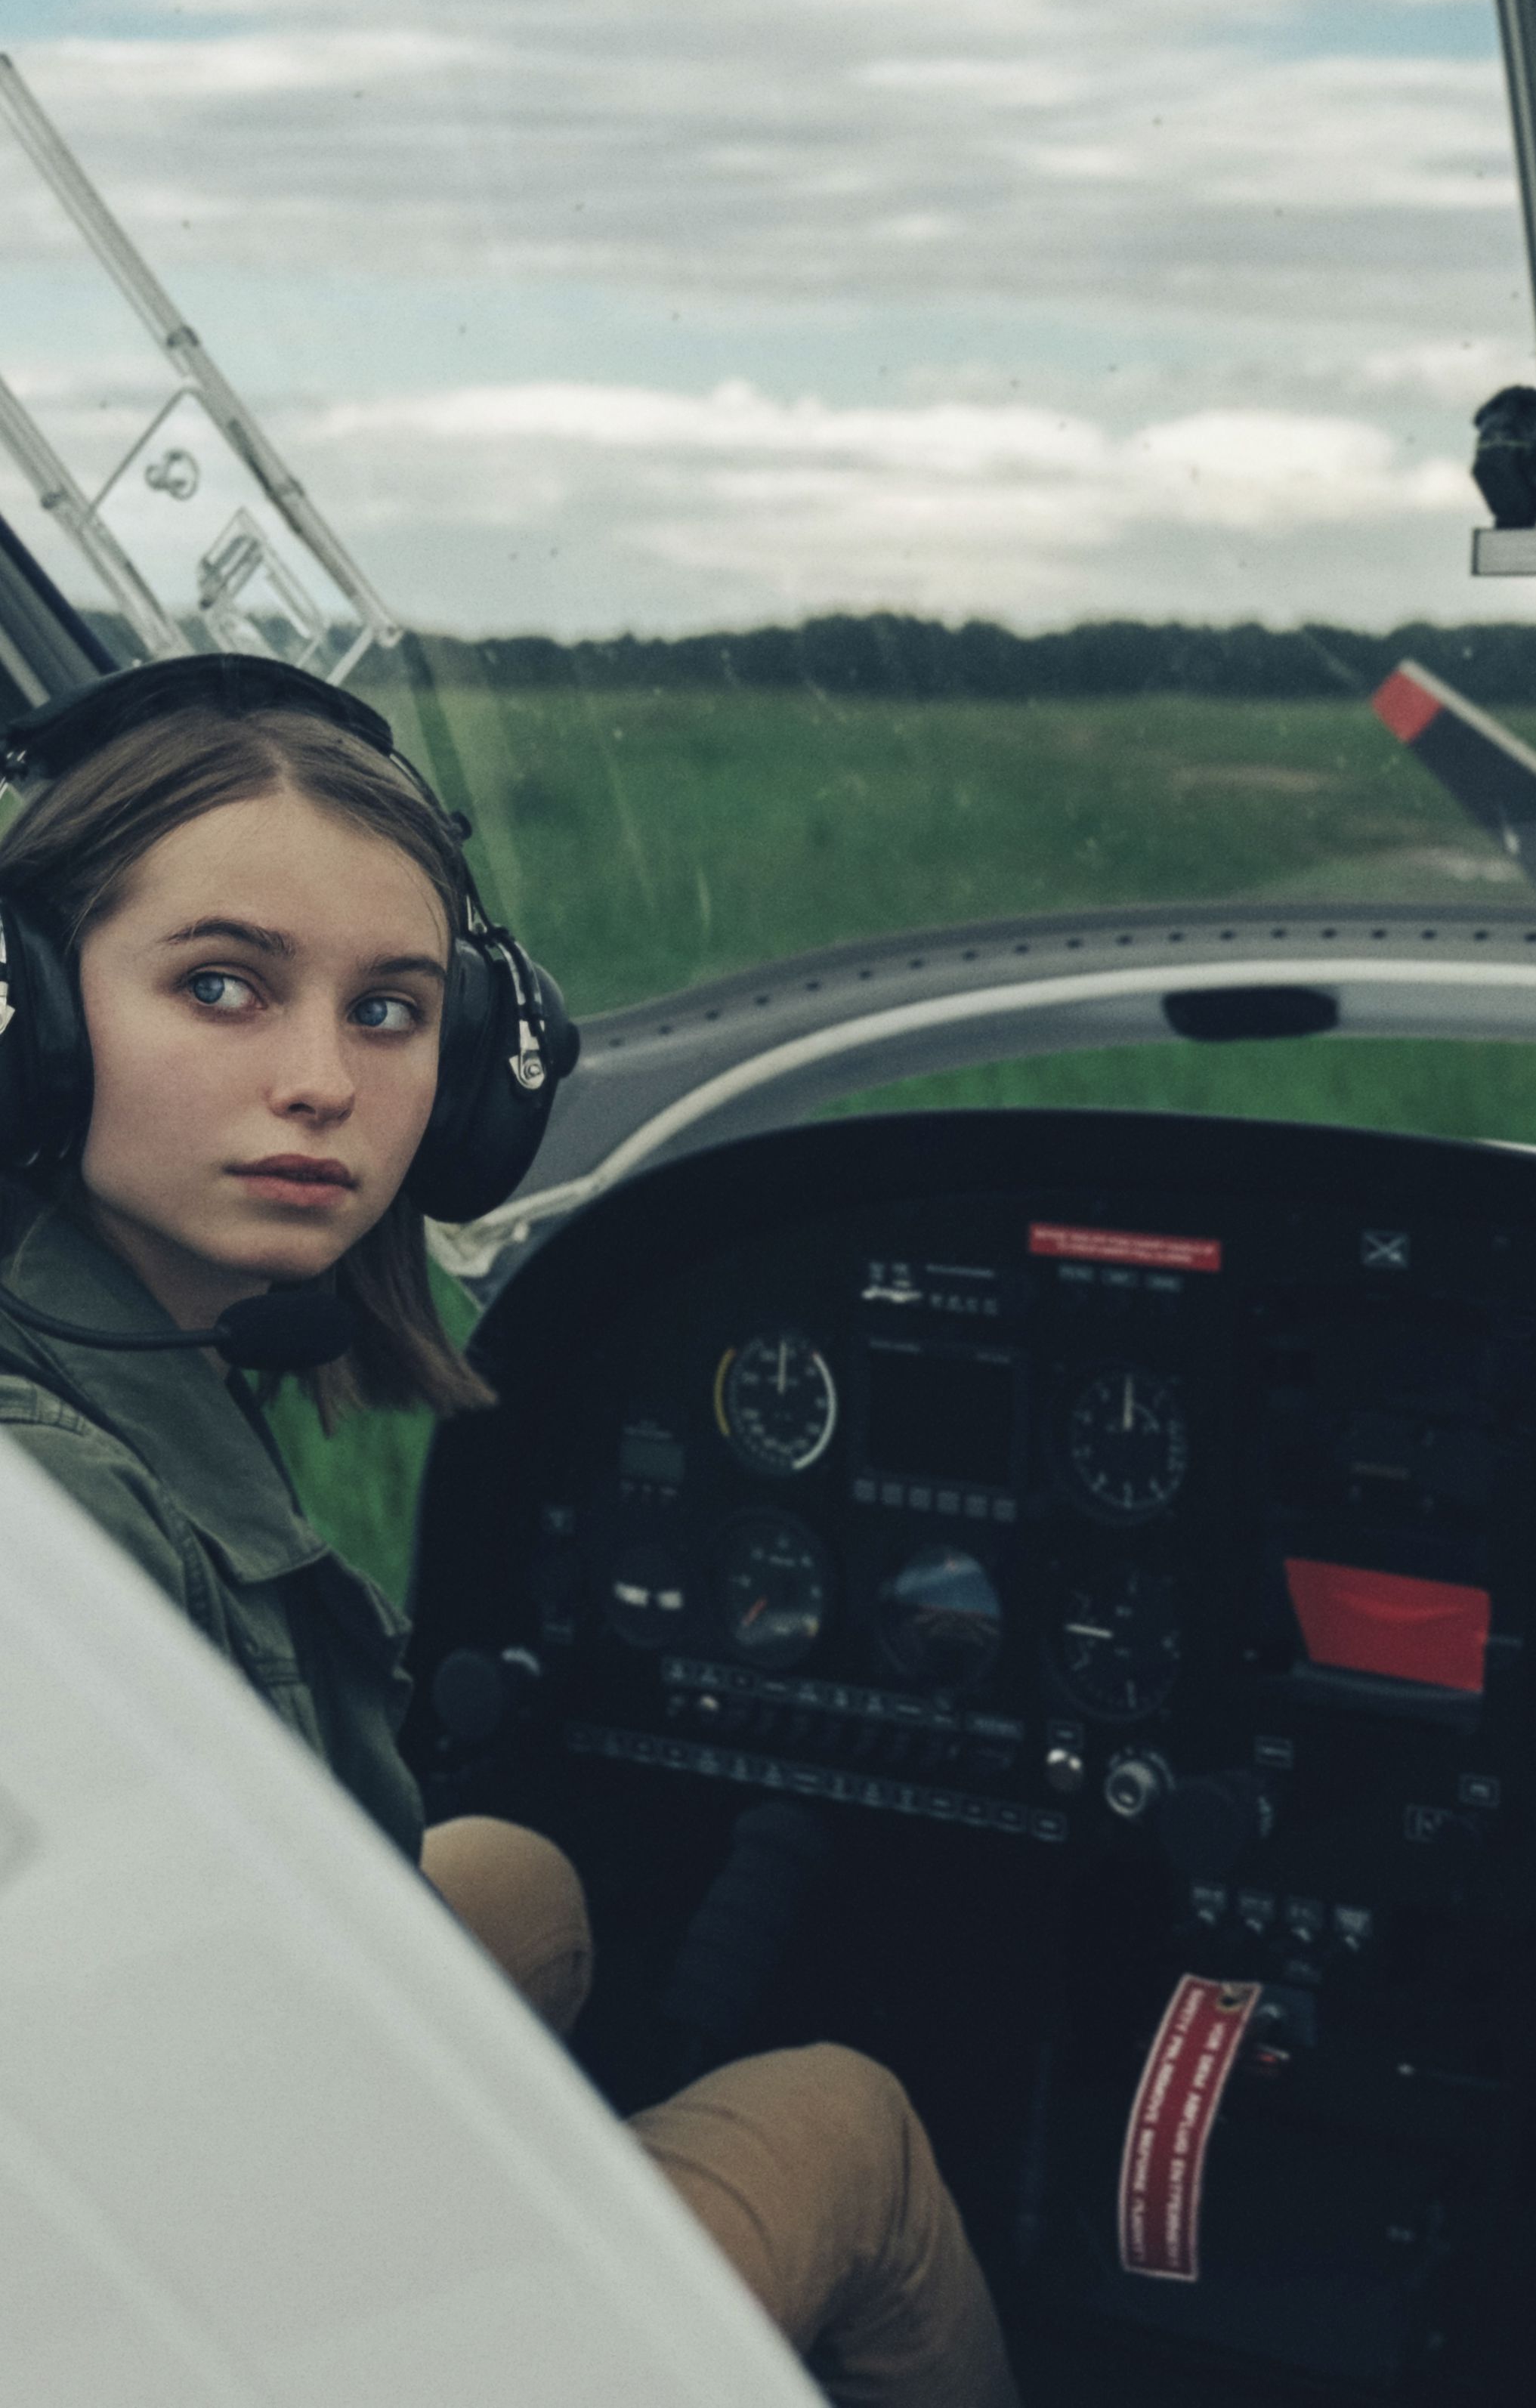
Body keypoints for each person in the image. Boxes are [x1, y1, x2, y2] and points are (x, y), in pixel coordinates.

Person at [0, 660, 1016, 2408]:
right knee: (842, 2126)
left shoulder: (109, 1343)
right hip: (137, 2318)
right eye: (223, 985)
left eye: (390, 1012)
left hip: (145, 2129)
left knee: (518, 1883)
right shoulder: (61, 1522)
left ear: (471, 1069)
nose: (321, 1081)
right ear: (29, 1013)